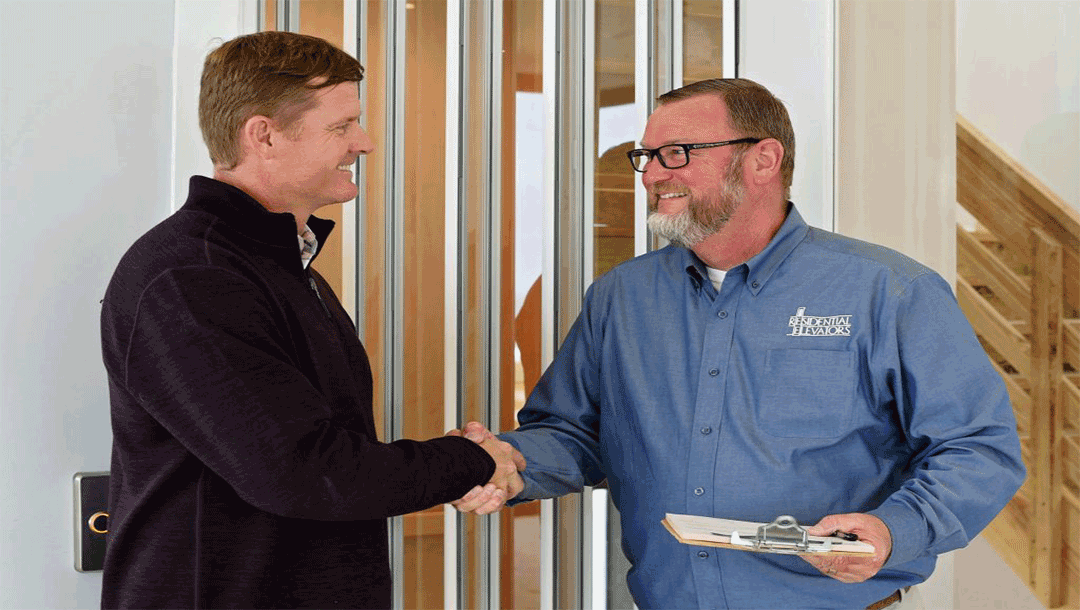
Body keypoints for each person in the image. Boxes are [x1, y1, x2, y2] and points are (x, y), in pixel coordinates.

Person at [452, 78, 1025, 609]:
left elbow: (978, 448)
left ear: (763, 160)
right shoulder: (620, 298)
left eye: (676, 153)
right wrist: (508, 464)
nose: (652, 174)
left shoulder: (892, 293)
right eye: (646, 157)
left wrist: (893, 530)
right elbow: (575, 432)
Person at [99, 31, 523, 609]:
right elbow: (306, 473)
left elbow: (320, 459)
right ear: (263, 135)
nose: (365, 143)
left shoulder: (283, 270)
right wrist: (470, 460)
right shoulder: (191, 278)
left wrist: (457, 466)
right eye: (342, 126)